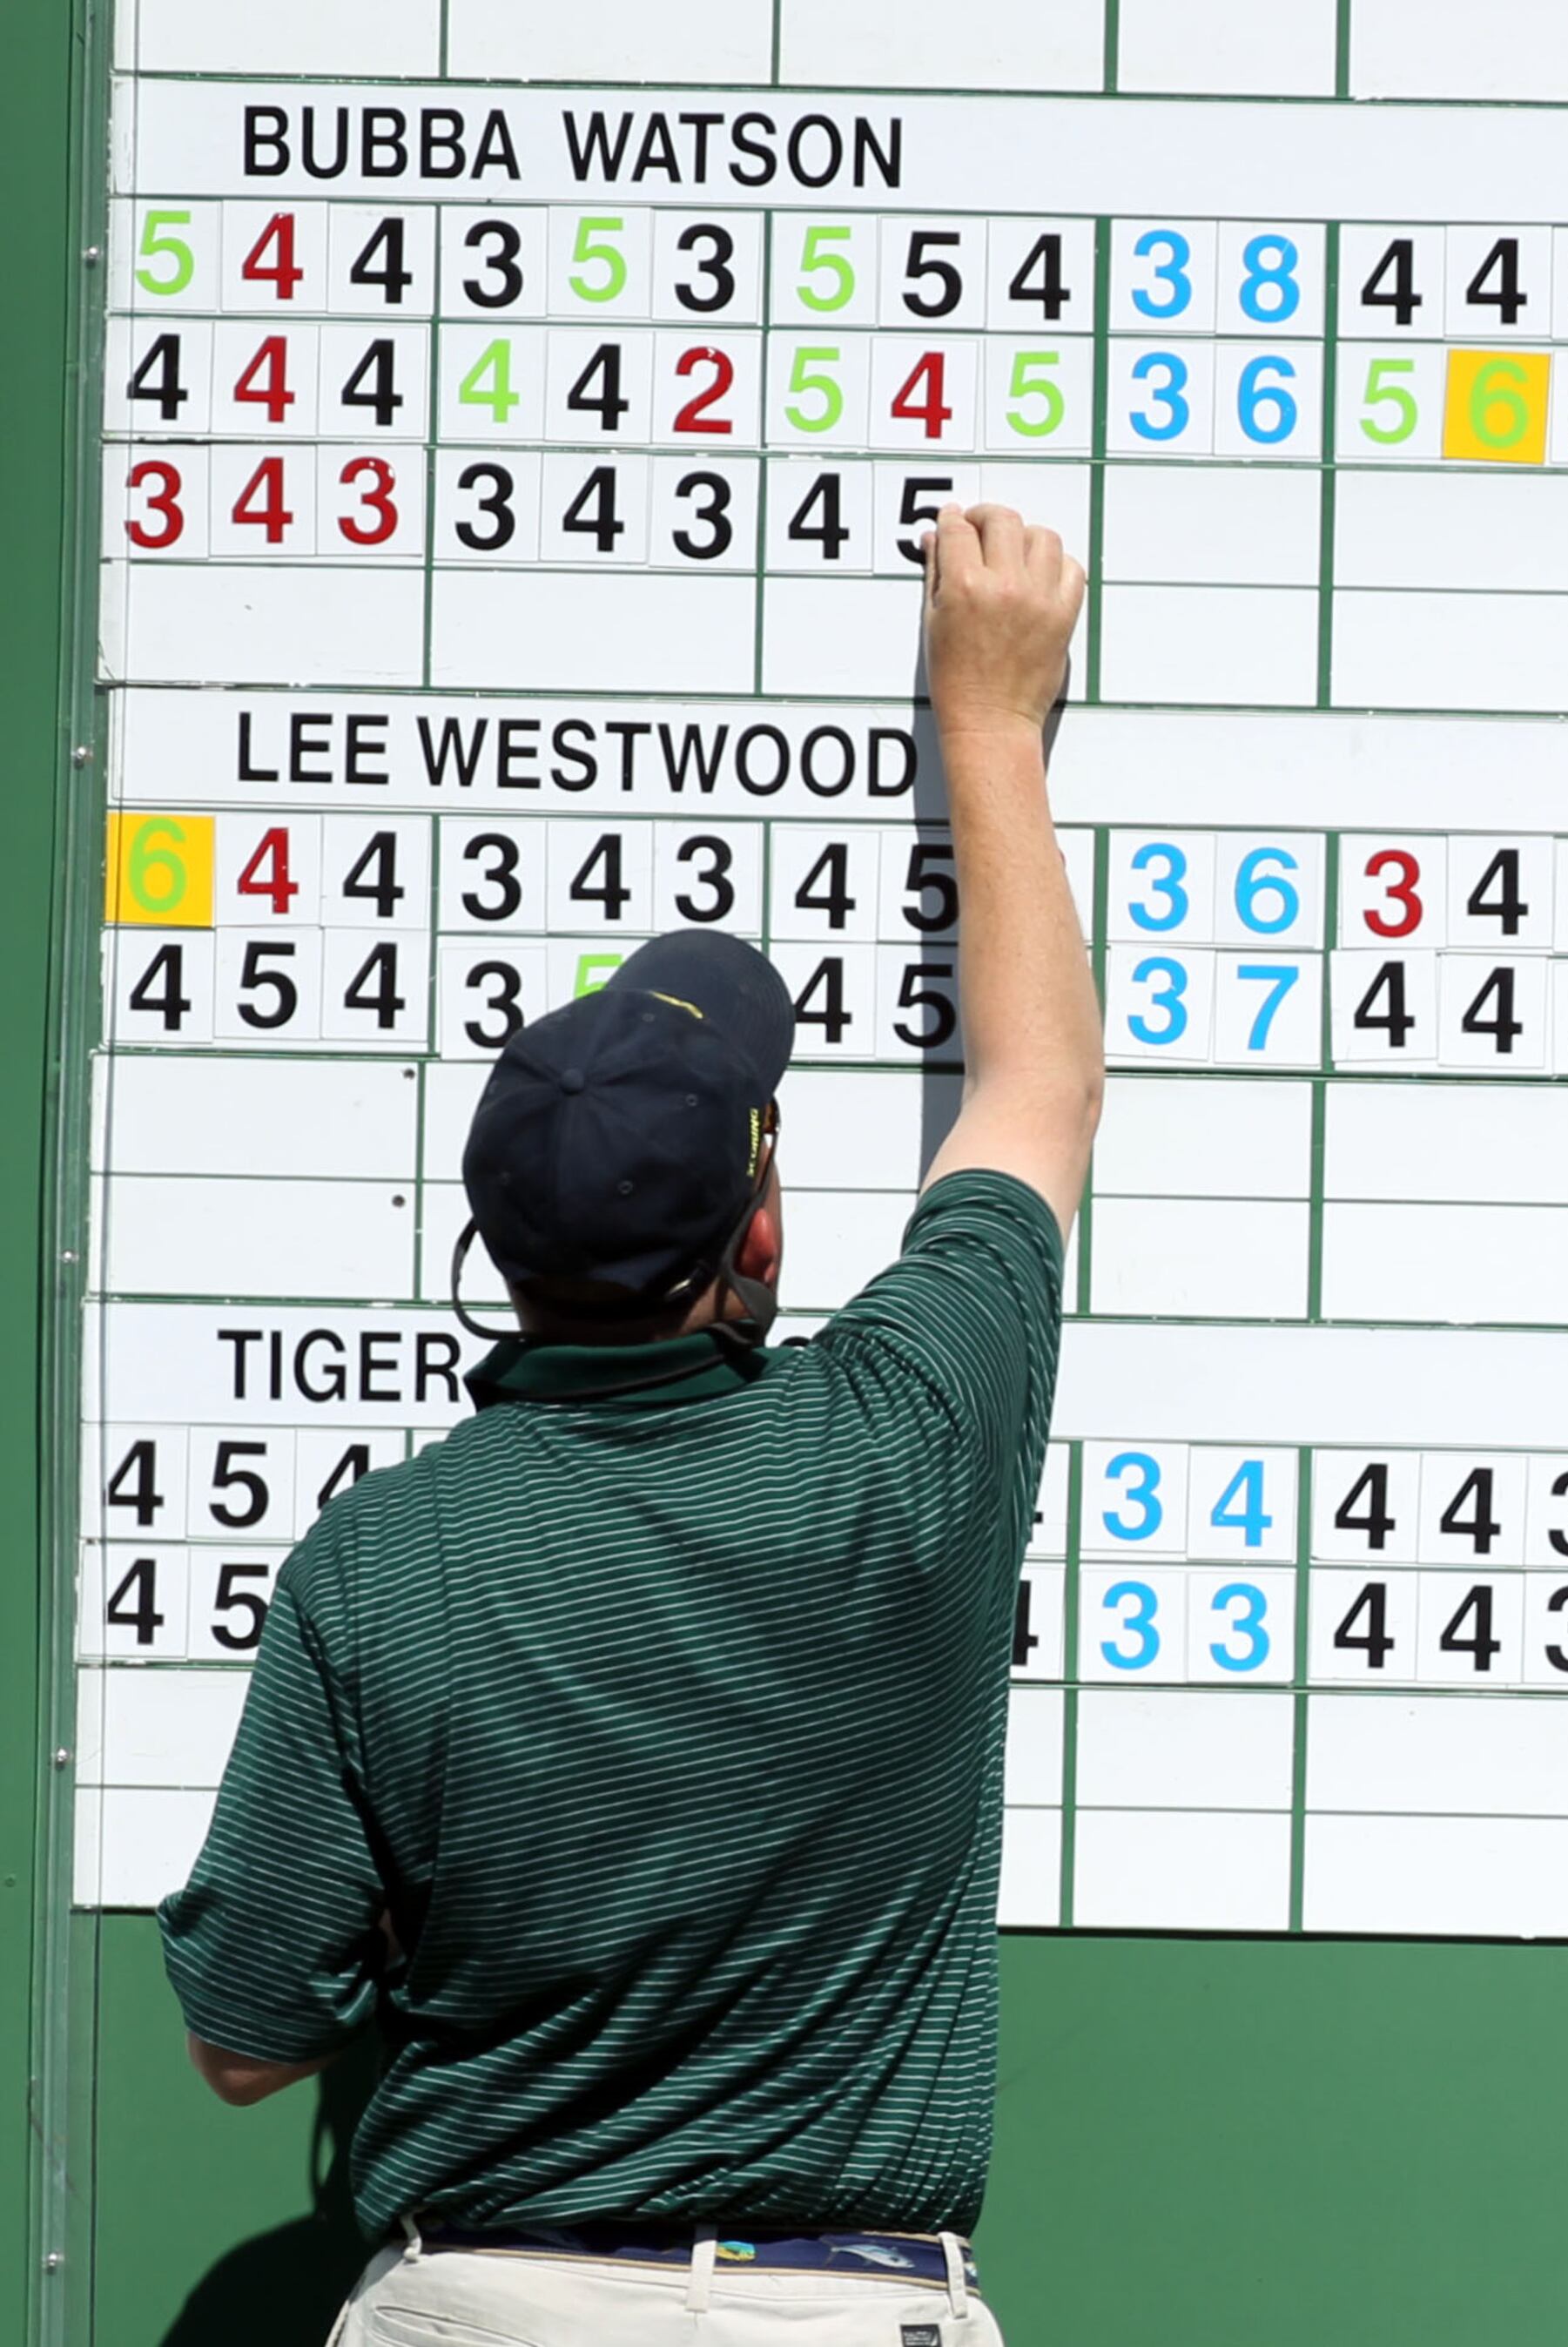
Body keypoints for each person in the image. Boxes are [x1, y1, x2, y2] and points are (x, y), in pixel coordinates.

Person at [156, 505, 1097, 2344]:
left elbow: (243, 2042)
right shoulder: (909, 1434)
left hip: (480, 2300)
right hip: (854, 2306)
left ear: (496, 1249)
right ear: (755, 1233)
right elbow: (1039, 1090)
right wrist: (989, 715)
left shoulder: (378, 1563)